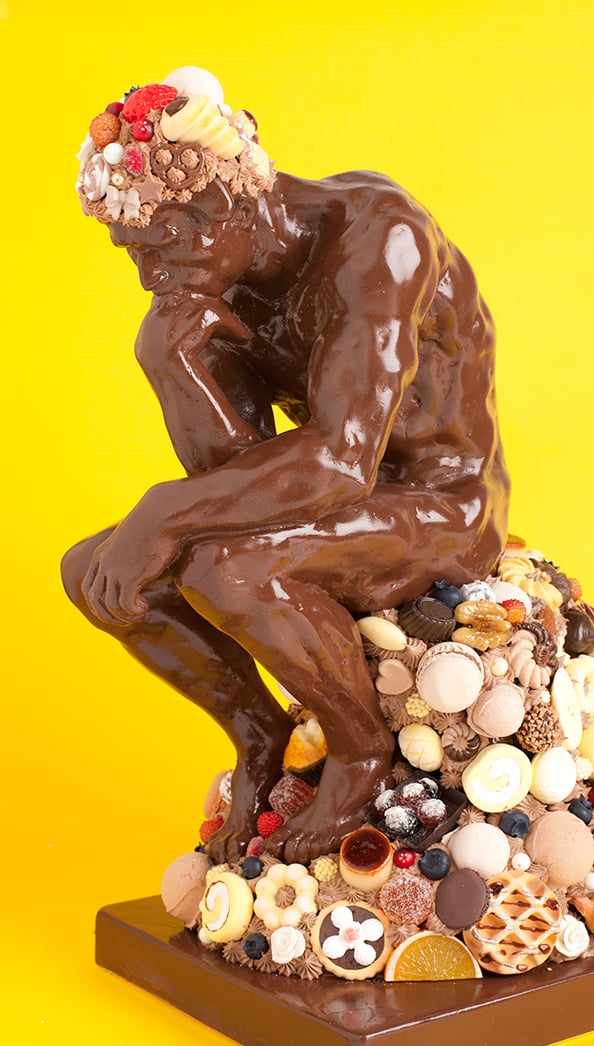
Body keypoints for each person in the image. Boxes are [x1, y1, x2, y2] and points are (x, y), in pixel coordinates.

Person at [63, 79, 510, 863]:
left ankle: (361, 748)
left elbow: (341, 458)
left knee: (224, 568)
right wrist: (172, 366)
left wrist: (162, 511)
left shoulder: (380, 238)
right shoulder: (210, 285)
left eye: (159, 245)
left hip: (440, 504)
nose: (148, 277)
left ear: (225, 206)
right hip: (336, 501)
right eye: (132, 254)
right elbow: (234, 473)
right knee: (91, 569)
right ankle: (259, 733)